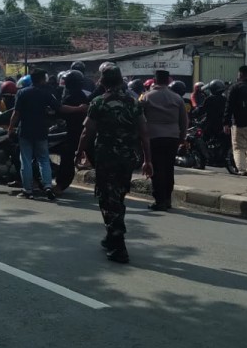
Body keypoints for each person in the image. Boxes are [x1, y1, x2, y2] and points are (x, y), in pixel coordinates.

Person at [77, 64, 152, 264]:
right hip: (127, 159)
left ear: (102, 82)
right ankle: (111, 237)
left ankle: (119, 245)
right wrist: (147, 160)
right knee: (117, 196)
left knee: (107, 199)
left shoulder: (99, 102)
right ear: (120, 81)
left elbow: (87, 132)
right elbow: (144, 133)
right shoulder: (134, 103)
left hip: (106, 158)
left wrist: (79, 152)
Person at [139, 70, 188, 211]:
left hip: (153, 137)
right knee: (168, 168)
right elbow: (184, 120)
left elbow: (138, 117)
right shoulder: (177, 98)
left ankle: (159, 200)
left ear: (154, 80)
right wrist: (182, 138)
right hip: (172, 137)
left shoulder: (146, 97)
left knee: (156, 169)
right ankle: (167, 199)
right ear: (168, 81)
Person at [8, 69, 58, 200]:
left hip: (25, 131)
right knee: (44, 159)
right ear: (42, 79)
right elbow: (57, 108)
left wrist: (10, 128)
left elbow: (16, 113)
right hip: (41, 131)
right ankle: (48, 186)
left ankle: (28, 190)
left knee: (25, 160)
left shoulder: (22, 93)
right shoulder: (47, 93)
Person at [54, 71, 89, 194]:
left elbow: (60, 110)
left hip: (72, 132)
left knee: (67, 158)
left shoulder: (73, 97)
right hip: (72, 131)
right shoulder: (75, 95)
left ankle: (60, 185)